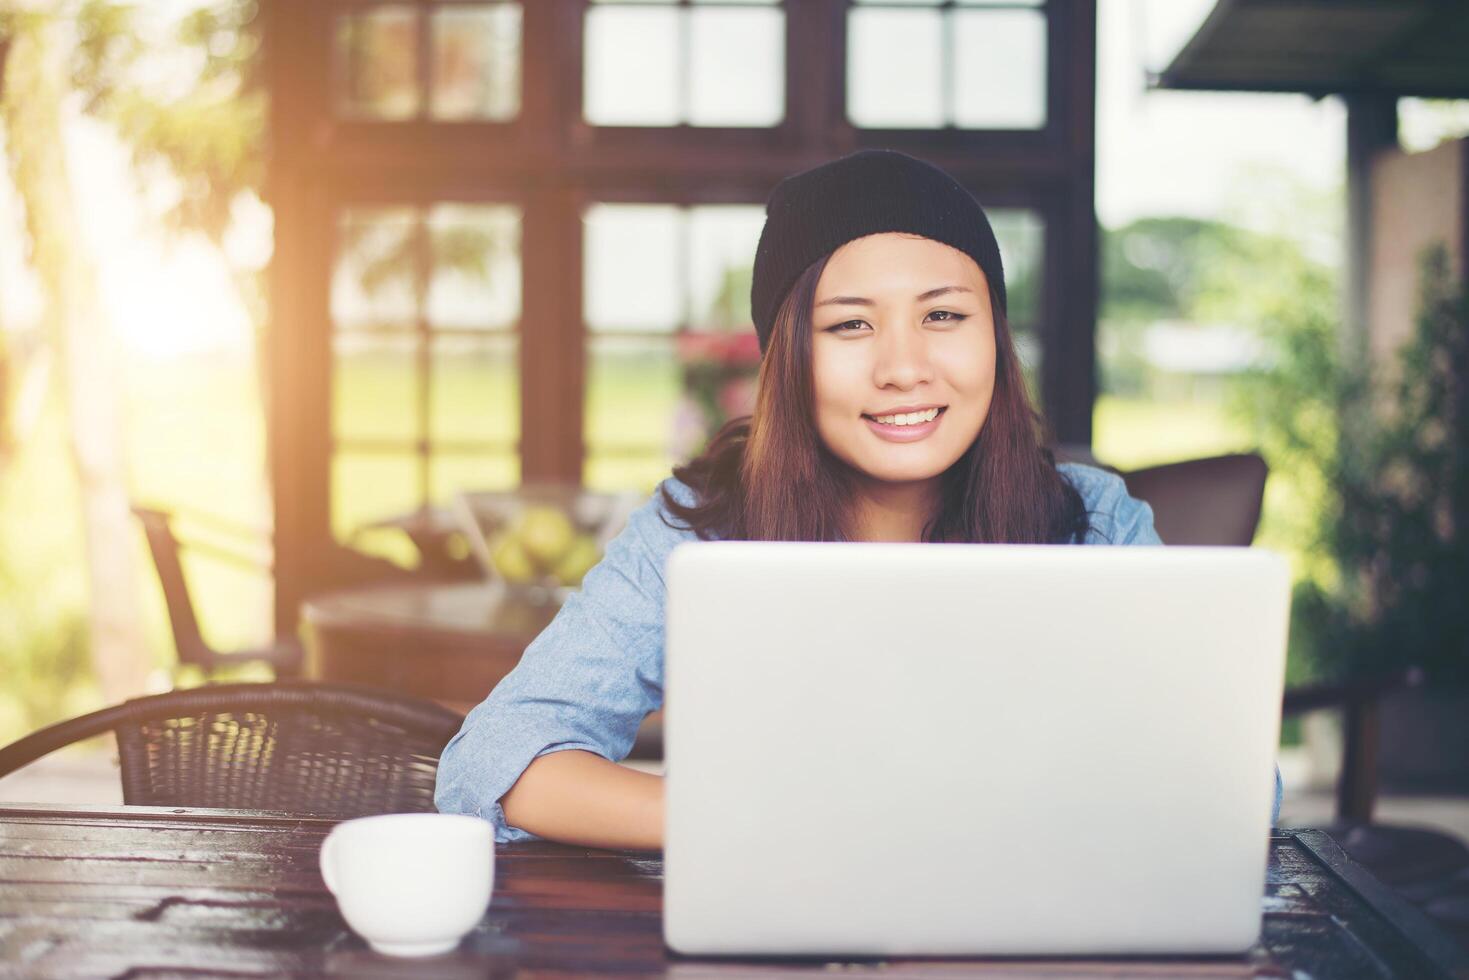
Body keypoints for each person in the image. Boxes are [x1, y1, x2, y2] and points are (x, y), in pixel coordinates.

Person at [434, 149, 1285, 849]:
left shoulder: (1093, 521)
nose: (904, 367)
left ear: (995, 334)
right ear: (786, 359)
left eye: (944, 316)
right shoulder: (698, 526)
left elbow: (1241, 786)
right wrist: (745, 826)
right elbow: (491, 760)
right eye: (850, 325)